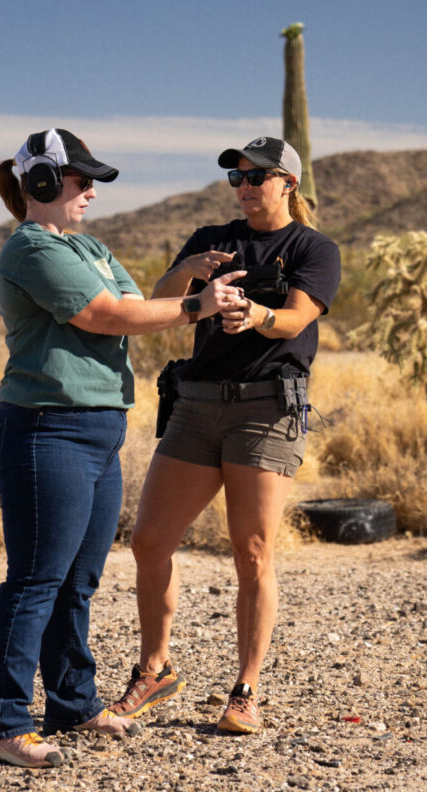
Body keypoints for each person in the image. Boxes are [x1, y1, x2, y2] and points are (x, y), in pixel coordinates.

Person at [0, 128, 243, 768]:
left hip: (97, 429)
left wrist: (174, 302)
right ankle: (1, 723)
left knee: (77, 581)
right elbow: (106, 315)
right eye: (79, 179)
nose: (91, 190)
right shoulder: (31, 248)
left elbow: (135, 303)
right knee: (36, 579)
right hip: (47, 429)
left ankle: (71, 703)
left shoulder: (88, 245)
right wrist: (197, 306)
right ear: (41, 183)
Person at [109, 137, 341, 734]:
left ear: (287, 182)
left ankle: (245, 690)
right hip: (197, 404)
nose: (243, 186)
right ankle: (154, 669)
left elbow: (295, 319)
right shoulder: (211, 239)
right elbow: (158, 308)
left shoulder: (312, 248)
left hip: (266, 410)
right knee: (149, 541)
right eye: (236, 177)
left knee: (252, 552)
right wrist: (184, 273)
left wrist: (258, 317)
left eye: (256, 176)